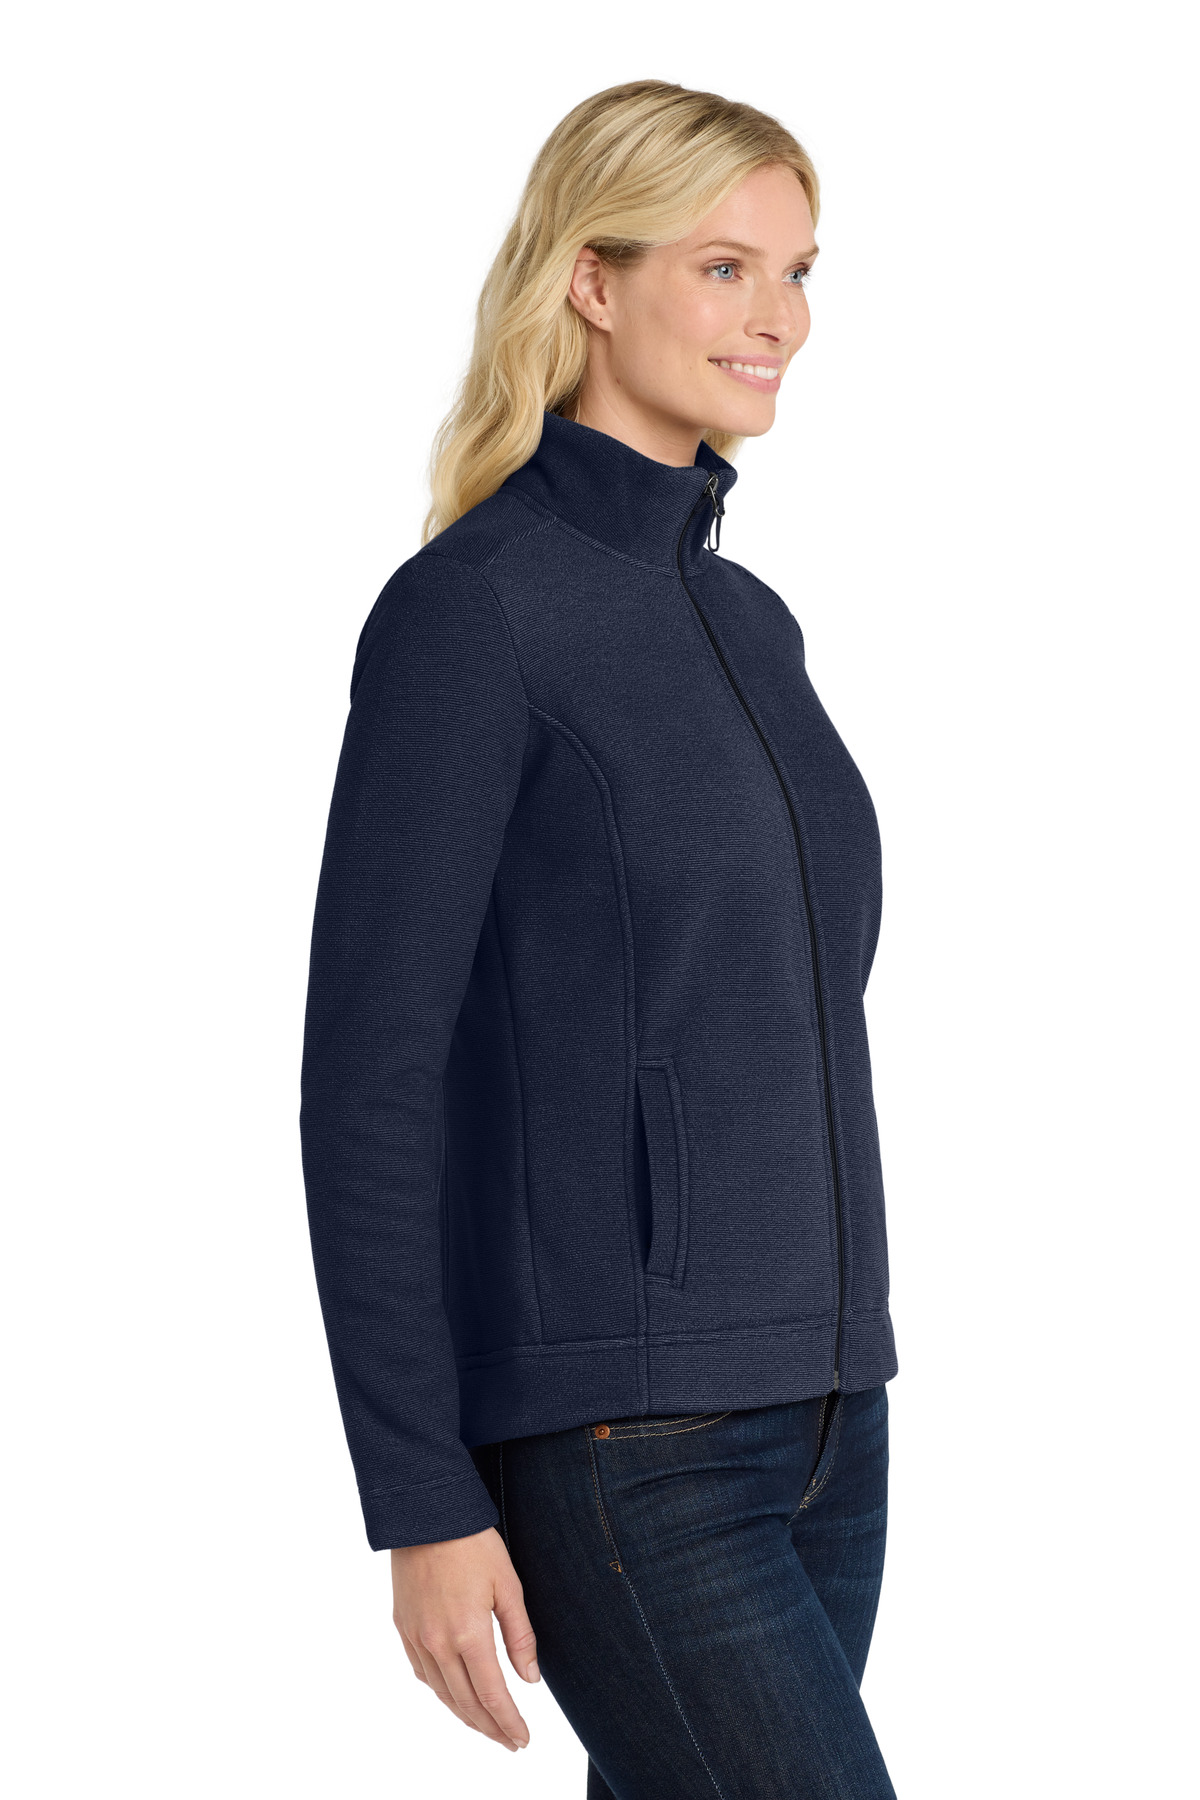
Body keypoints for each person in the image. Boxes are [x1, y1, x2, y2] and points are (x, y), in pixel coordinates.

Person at [300, 78, 900, 1799]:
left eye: (797, 271)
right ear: (590, 279)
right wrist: (420, 1495)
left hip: (831, 1416)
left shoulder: (748, 619)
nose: (779, 317)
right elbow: (370, 1084)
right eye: (724, 267)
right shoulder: (471, 616)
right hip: (631, 1443)